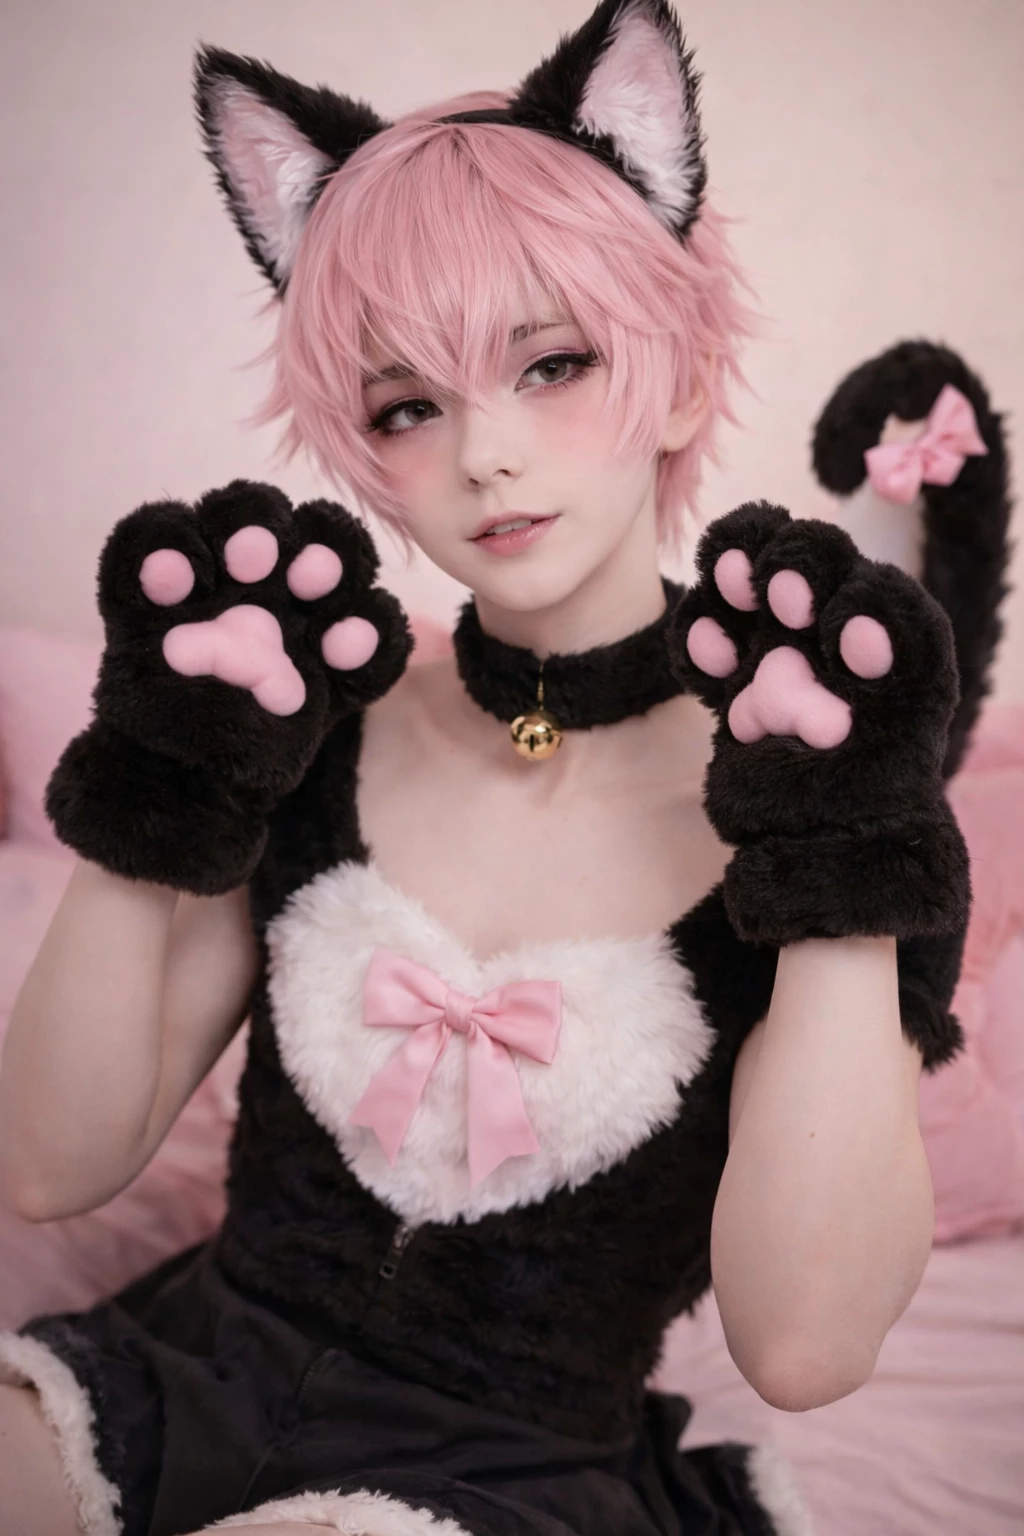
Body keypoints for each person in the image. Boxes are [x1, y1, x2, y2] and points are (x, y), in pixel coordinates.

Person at [0, 2, 1005, 1533]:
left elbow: (805, 1349)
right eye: (409, 404)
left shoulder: (819, 775)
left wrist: (844, 852)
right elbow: (49, 1166)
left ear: (681, 378)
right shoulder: (311, 718)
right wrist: (161, 772)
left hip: (516, 1474)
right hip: (196, 1365)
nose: (484, 454)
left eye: (552, 364)